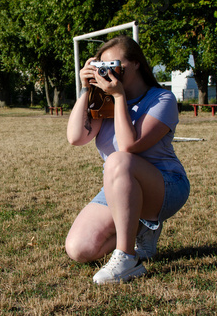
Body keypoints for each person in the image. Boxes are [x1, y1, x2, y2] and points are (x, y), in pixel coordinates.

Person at [65, 35, 190, 284]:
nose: (108, 72)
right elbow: (76, 138)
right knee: (79, 249)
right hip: (119, 185)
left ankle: (126, 257)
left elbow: (128, 146)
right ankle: (141, 230)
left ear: (135, 64)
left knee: (118, 160)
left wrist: (120, 97)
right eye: (102, 66)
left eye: (114, 65)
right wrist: (86, 89)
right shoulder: (103, 100)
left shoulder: (162, 99)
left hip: (165, 186)